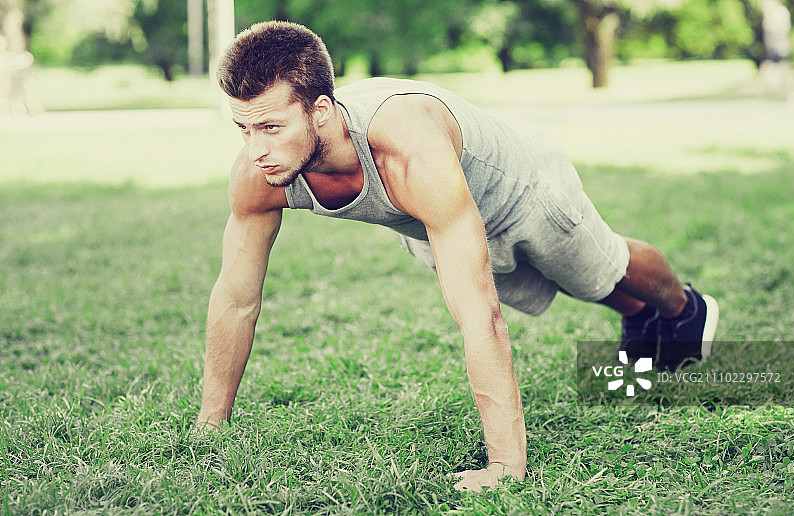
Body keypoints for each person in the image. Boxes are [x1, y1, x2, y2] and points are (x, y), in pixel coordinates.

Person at [196, 20, 720, 492]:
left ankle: (684, 311)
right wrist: (210, 426)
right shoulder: (258, 173)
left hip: (521, 188)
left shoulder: (404, 150)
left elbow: (479, 315)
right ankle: (640, 319)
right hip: (435, 216)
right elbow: (237, 299)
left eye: (270, 128)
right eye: (243, 128)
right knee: (572, 287)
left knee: (599, 271)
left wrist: (505, 465)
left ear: (322, 111)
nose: (255, 149)